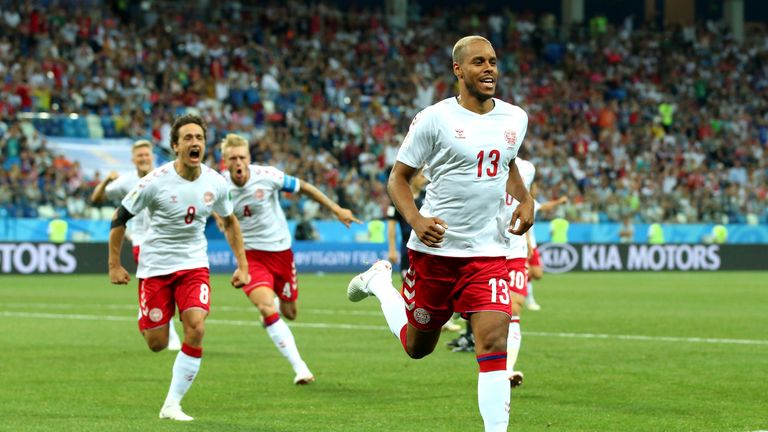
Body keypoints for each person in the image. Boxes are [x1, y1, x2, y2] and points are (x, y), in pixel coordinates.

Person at [346, 35, 534, 432]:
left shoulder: (515, 118)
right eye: (479, 62)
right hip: (435, 253)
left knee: (493, 343)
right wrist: (416, 220)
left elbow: (508, 163)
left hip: (487, 254)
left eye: (494, 62)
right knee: (417, 348)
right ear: (458, 70)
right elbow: (398, 178)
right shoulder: (434, 118)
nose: (489, 69)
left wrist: (526, 199)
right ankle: (380, 281)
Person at [108, 115, 249, 421]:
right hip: (155, 267)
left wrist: (243, 265)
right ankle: (147, 317)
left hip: (194, 264)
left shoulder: (215, 182)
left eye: (198, 137)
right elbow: (119, 217)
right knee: (157, 343)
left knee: (196, 326)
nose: (194, 142)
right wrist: (114, 265)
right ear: (175, 146)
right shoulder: (154, 182)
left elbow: (229, 221)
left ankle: (172, 404)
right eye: (187, 138)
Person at [217, 133, 360, 385]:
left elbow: (304, 187)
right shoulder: (219, 188)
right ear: (225, 161)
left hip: (282, 253)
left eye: (242, 157)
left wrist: (336, 209)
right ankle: (300, 367)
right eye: (232, 158)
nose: (238, 162)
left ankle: (271, 309)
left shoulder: (268, 176)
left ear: (249, 158)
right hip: (251, 257)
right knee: (266, 307)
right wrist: (240, 262)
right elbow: (226, 225)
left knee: (290, 312)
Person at [92, 139, 182, 351]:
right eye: (139, 156)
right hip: (142, 242)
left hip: (166, 240)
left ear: (152, 157)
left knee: (163, 283)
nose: (143, 159)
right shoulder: (126, 181)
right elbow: (96, 199)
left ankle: (146, 314)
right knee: (161, 282)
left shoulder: (164, 177)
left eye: (146, 155)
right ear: (133, 159)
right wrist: (106, 180)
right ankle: (164, 328)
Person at [387, 171, 461, 333]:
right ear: (412, 178)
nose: (424, 179)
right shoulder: (400, 199)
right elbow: (391, 226)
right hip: (408, 248)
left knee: (434, 284)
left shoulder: (427, 197)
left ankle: (440, 320)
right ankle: (411, 320)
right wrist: (392, 249)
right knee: (410, 284)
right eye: (421, 176)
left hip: (429, 247)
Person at [500, 158, 537, 388]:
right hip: (487, 245)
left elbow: (526, 202)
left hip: (515, 247)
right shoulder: (480, 154)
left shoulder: (527, 169)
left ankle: (507, 370)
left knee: (515, 306)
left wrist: (529, 238)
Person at [524, 191, 568, 311]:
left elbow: (545, 206)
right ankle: (529, 299)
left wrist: (559, 201)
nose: (536, 191)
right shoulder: (517, 200)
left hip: (531, 244)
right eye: (535, 188)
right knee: (525, 273)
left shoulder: (531, 202)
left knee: (537, 274)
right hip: (518, 245)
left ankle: (526, 296)